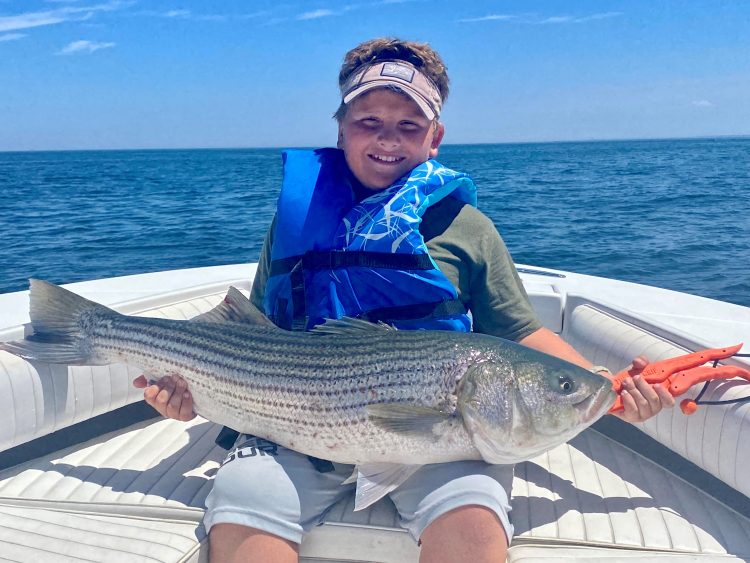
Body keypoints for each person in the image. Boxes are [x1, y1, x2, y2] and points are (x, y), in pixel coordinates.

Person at [134, 37, 675, 563]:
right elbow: (247, 330)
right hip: (291, 425)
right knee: (243, 511)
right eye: (368, 121)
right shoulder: (293, 222)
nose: (387, 138)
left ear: (435, 137)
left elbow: (518, 331)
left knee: (472, 524)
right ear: (341, 128)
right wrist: (188, 389)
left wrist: (602, 383)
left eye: (409, 126)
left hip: (443, 447)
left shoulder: (466, 228)